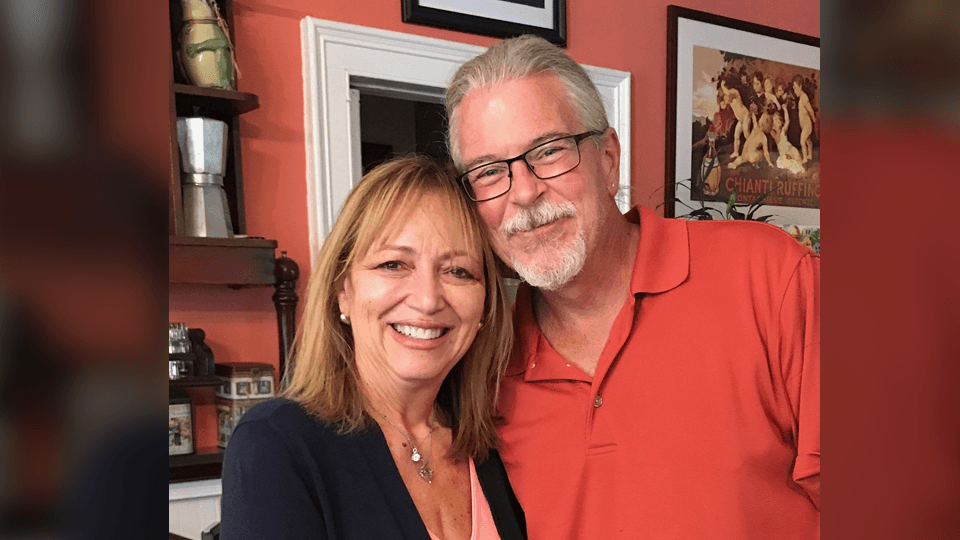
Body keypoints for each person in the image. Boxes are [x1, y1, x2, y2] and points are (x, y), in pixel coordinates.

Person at [445, 35, 820, 539]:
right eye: (490, 172)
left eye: (550, 151)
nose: (525, 192)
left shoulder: (770, 277)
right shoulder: (483, 369)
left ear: (608, 159)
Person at [220, 156, 526, 540]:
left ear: (484, 308)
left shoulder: (489, 447)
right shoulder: (276, 445)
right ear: (342, 291)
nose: (429, 299)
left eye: (458, 271)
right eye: (394, 264)